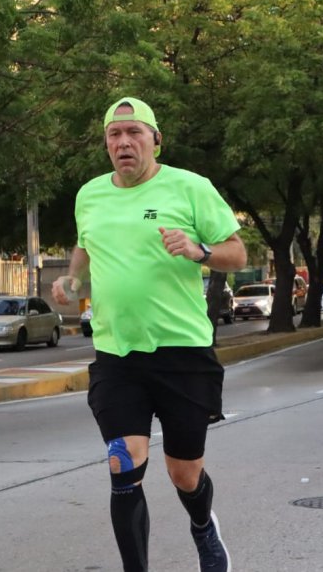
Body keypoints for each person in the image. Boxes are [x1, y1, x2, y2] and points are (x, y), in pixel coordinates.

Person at [52, 97, 247, 572]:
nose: (123, 143)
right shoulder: (90, 194)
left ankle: (203, 526)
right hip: (117, 354)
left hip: (182, 352)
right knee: (124, 465)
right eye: (114, 136)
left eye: (134, 133)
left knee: (184, 473)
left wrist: (200, 250)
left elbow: (237, 253)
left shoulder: (190, 188)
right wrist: (73, 279)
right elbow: (85, 245)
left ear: (155, 139)